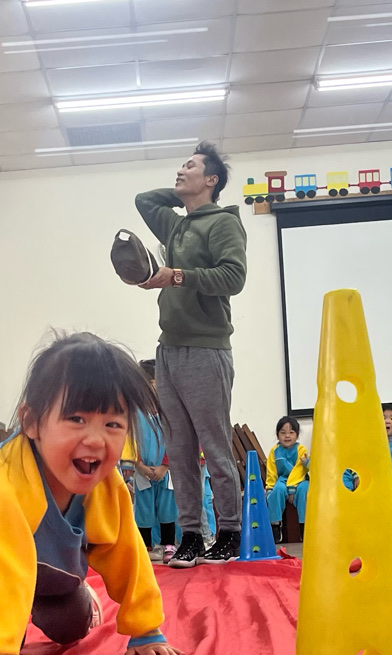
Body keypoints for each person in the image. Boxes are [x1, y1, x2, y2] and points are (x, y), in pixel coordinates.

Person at [0, 332, 184, 655]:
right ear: (32, 423)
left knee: (72, 627)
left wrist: (145, 629)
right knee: (5, 632)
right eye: (77, 419)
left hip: (45, 553)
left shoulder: (105, 483)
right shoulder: (1, 485)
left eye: (113, 424)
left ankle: (54, 590)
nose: (96, 439)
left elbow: (127, 552)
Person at [135, 142, 247, 569]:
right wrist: (183, 194)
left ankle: (230, 533)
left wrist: (176, 275)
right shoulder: (177, 224)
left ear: (212, 179)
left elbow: (233, 277)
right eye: (181, 166)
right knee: (179, 451)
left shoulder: (223, 223)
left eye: (191, 166)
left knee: (215, 449)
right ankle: (191, 537)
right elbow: (145, 200)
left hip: (206, 348)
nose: (180, 171)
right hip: (169, 349)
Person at [129, 359, 178, 563]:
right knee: (144, 508)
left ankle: (169, 544)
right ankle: (146, 546)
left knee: (168, 507)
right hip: (142, 470)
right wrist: (138, 465)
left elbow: (174, 439)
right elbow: (130, 440)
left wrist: (165, 466)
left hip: (165, 470)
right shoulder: (134, 413)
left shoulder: (169, 412)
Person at [265, 416, 309, 543]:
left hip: (299, 480)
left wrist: (292, 488)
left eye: (291, 432)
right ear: (277, 435)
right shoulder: (274, 451)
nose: (287, 436)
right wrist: (270, 488)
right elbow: (271, 471)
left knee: (304, 489)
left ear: (297, 435)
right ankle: (275, 526)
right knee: (277, 490)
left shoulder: (301, 450)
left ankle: (304, 527)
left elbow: (299, 471)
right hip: (283, 480)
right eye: (283, 433)